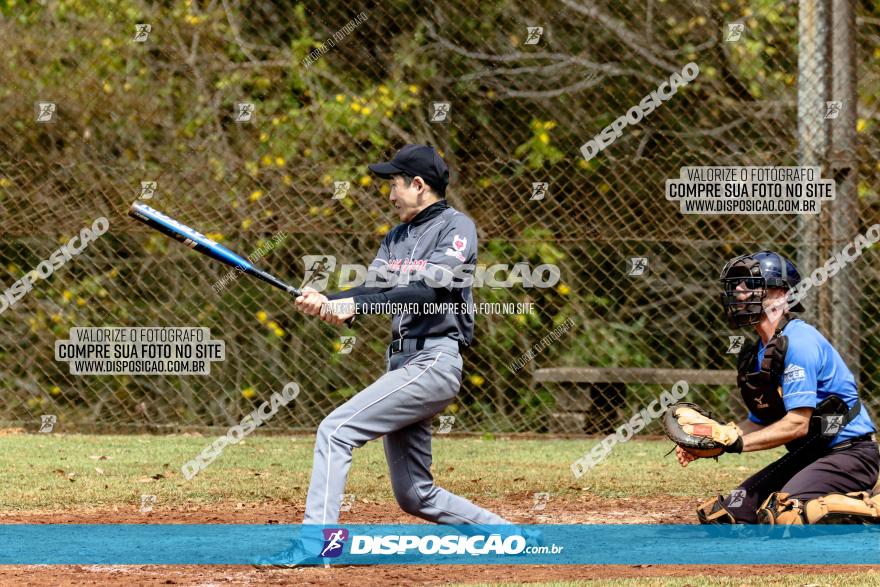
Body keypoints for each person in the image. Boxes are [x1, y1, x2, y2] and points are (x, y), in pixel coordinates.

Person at [259, 144, 513, 567]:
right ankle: (509, 537)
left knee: (335, 430)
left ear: (418, 185)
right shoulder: (396, 238)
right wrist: (330, 300)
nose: (390, 194)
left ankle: (314, 543)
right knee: (415, 495)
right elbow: (376, 292)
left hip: (434, 360)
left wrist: (356, 306)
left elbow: (429, 289)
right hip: (403, 364)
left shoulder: (457, 226)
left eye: (395, 184)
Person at [680, 250, 878, 524]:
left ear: (781, 294)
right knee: (728, 514)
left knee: (787, 515)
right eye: (735, 284)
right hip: (808, 456)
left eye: (750, 284)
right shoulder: (756, 354)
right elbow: (759, 421)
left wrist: (734, 444)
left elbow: (797, 425)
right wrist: (711, 439)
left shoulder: (800, 341)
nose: (738, 290)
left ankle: (873, 507)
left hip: (849, 454)